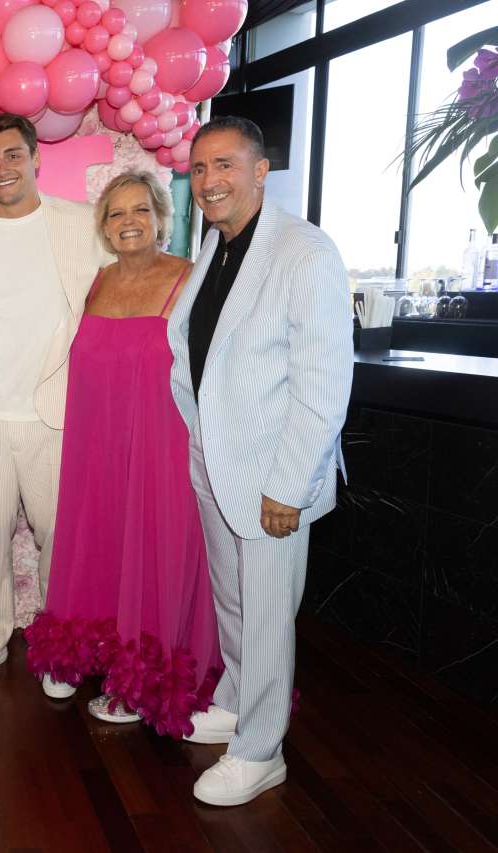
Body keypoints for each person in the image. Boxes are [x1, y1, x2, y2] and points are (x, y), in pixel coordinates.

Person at [168, 117, 352, 806]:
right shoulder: (217, 247)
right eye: (200, 170)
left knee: (270, 612)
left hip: (277, 474)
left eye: (224, 165)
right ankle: (238, 698)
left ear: (259, 169)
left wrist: (289, 483)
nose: (210, 180)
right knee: (234, 602)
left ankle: (261, 747)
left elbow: (324, 384)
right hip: (218, 465)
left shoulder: (304, 252)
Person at [24, 171, 220, 735]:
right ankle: (84, 649)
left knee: (152, 549)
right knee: (99, 542)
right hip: (96, 446)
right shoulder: (96, 282)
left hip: (161, 447)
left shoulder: (188, 281)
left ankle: (143, 675)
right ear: (104, 228)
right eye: (115, 213)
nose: (128, 221)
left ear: (163, 218)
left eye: (140, 210)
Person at [0, 113, 110, 692]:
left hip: (55, 415)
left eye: (12, 155)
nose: (1, 168)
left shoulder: (83, 225)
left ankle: (59, 644)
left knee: (59, 536)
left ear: (35, 158)